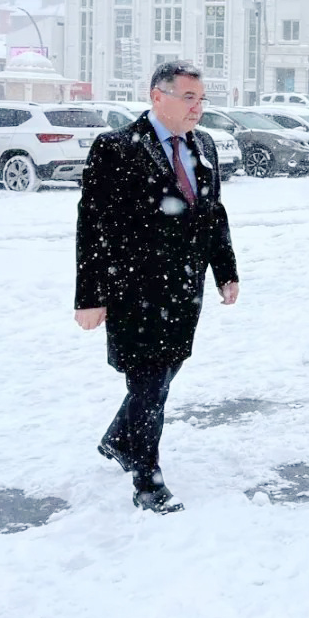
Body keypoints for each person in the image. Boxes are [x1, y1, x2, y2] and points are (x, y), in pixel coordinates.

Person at [74, 61, 239, 514]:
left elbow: (213, 213)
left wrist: (225, 271)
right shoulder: (117, 147)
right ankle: (147, 480)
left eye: (201, 99)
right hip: (135, 289)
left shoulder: (203, 145)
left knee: (164, 376)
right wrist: (90, 297)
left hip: (184, 290)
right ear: (156, 96)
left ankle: (119, 439)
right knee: (149, 386)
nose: (198, 108)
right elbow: (93, 224)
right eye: (188, 98)